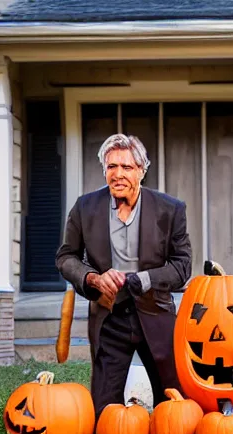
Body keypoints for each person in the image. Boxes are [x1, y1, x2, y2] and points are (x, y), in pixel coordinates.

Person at [55, 133, 192, 419]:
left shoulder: (171, 209)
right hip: (109, 315)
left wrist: (145, 279)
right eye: (111, 166)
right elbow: (66, 257)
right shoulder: (84, 208)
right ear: (104, 169)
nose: (118, 174)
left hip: (156, 314)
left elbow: (181, 267)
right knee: (104, 415)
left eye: (127, 167)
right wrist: (93, 278)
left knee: (176, 409)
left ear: (142, 170)